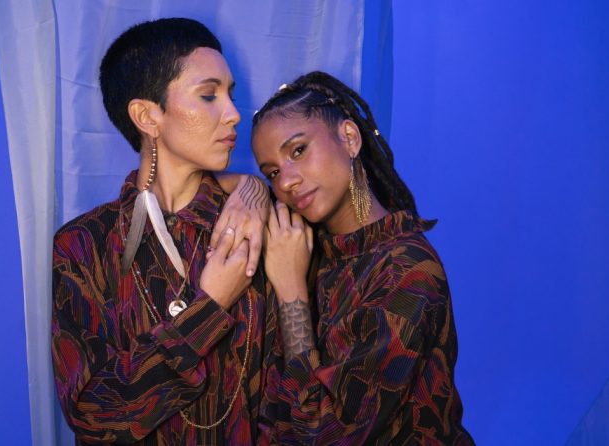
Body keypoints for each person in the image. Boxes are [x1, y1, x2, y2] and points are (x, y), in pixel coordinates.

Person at [51, 18, 276, 445]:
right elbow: (94, 415)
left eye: (230, 95)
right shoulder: (83, 245)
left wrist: (255, 189)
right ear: (147, 116)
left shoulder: (259, 224)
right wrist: (209, 309)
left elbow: (288, 391)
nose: (234, 114)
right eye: (208, 95)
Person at [252, 71, 474, 444]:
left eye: (299, 150)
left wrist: (291, 293)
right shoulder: (304, 249)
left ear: (350, 138)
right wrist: (247, 189)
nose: (286, 181)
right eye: (272, 172)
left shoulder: (409, 271)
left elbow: (326, 433)